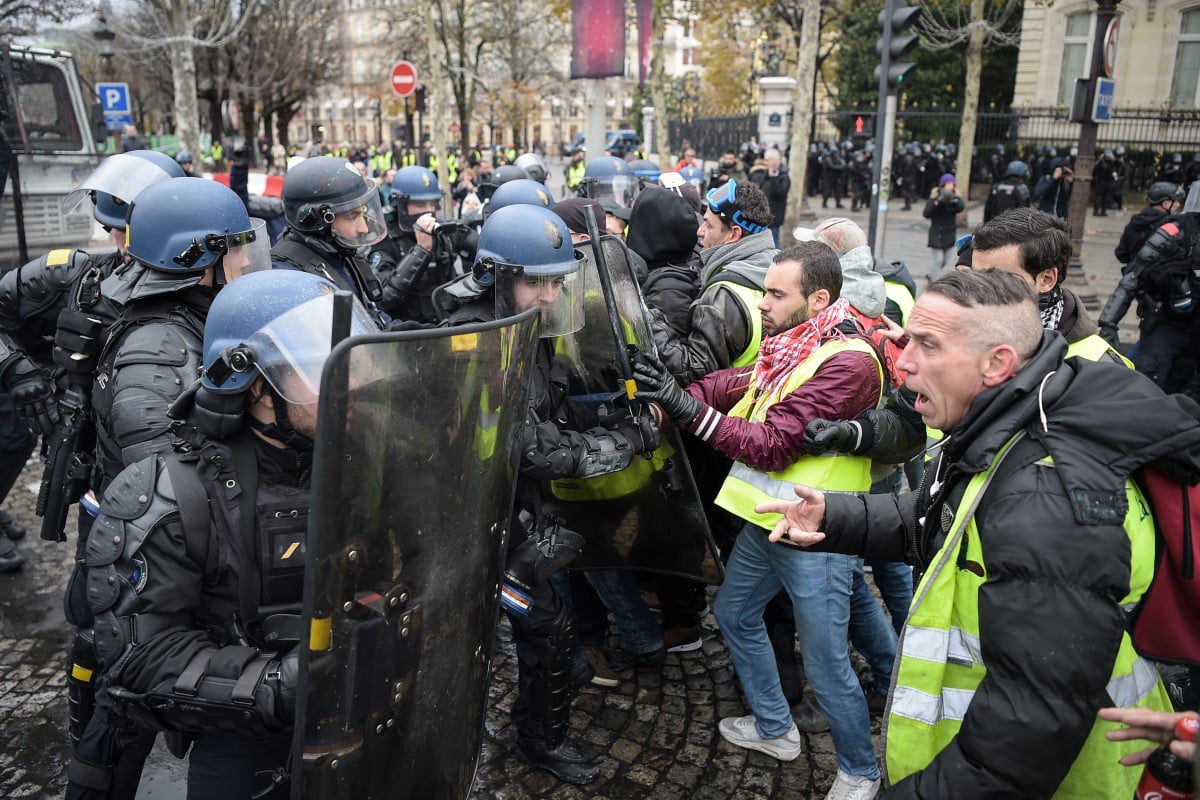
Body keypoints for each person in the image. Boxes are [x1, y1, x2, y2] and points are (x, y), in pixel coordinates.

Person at [762, 268, 1190, 798]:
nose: (905, 362)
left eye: (927, 345)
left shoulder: (1044, 502)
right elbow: (949, 520)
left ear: (998, 364)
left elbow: (1022, 737)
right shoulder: (1020, 419)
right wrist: (833, 515)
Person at [84, 269, 375, 800]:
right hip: (246, 735)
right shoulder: (169, 494)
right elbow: (140, 657)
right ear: (259, 389)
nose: (350, 385)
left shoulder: (365, 459)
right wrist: (279, 686)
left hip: (367, 712)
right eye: (322, 370)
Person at [634, 242, 887, 800]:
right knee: (734, 611)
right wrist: (672, 396)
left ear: (817, 299)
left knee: (825, 664)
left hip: (812, 534)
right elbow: (737, 383)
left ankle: (861, 771)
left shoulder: (847, 362)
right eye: (765, 289)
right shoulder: (798, 343)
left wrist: (685, 407)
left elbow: (772, 445)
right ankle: (776, 728)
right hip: (766, 521)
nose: (763, 303)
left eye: (776, 294)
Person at [442, 204, 658, 784]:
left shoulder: (525, 331)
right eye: (534, 280)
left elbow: (551, 411)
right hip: (472, 529)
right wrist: (628, 438)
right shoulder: (474, 341)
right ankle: (495, 746)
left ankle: (535, 736)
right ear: (498, 277)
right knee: (518, 633)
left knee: (545, 630)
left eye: (556, 280)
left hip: (513, 517)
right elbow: (533, 447)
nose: (548, 294)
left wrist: (610, 409)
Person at [1099, 183, 1200, 393]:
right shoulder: (1176, 231)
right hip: (1167, 323)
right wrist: (1109, 323)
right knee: (1144, 390)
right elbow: (1134, 275)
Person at [273, 155, 390, 324]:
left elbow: (372, 320)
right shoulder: (288, 277)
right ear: (318, 222)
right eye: (352, 216)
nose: (363, 228)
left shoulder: (340, 253)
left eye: (362, 214)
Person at [367, 165, 476, 323]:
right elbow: (385, 298)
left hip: (447, 323)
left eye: (432, 204)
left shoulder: (441, 228)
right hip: (407, 332)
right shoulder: (383, 236)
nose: (428, 211)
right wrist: (422, 250)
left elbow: (480, 248)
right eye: (420, 205)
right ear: (401, 206)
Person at [1115, 181, 1183, 266]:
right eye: (1175, 201)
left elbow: (1121, 254)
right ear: (1165, 203)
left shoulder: (1135, 222)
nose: (1178, 205)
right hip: (1163, 276)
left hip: (1136, 274)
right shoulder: (1170, 226)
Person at [922, 173, 965, 281]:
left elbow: (960, 207)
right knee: (938, 260)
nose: (951, 186)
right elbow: (927, 213)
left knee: (945, 260)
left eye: (952, 183)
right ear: (943, 184)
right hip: (936, 233)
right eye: (949, 183)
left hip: (949, 234)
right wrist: (938, 201)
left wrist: (952, 199)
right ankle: (935, 282)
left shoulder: (955, 196)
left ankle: (932, 275)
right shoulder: (935, 196)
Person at [751, 149, 790, 248]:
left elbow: (779, 194)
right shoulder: (765, 173)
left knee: (774, 242)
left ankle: (778, 262)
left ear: (775, 161)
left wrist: (773, 179)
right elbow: (757, 187)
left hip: (774, 217)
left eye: (767, 160)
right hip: (761, 216)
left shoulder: (784, 176)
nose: (765, 162)